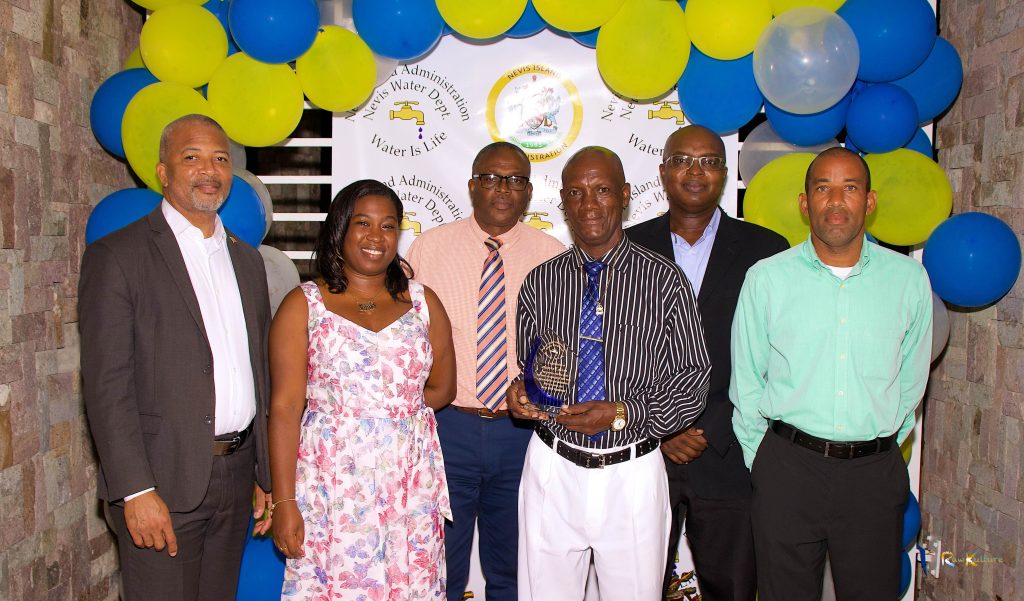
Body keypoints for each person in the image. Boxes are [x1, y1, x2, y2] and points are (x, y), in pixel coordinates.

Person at [79, 114, 272, 601]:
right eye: (192, 157)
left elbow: (260, 373)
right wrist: (134, 490)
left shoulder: (246, 260)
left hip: (235, 476)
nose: (209, 169)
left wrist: (264, 474)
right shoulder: (118, 256)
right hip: (160, 481)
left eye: (220, 159)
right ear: (163, 171)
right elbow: (107, 386)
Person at [508, 146, 711, 601]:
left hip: (632, 471)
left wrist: (622, 413)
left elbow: (693, 382)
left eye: (601, 190)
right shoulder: (541, 282)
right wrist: (521, 395)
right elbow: (534, 370)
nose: (589, 204)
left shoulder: (665, 281)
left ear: (624, 195)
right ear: (563, 201)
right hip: (552, 466)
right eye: (576, 193)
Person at [730, 147, 932, 600]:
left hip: (872, 476)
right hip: (787, 468)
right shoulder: (767, 279)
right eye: (823, 188)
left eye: (850, 188)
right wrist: (761, 460)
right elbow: (747, 380)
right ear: (805, 204)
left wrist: (878, 443)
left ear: (870, 201)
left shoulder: (908, 280)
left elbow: (911, 382)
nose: (836, 201)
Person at [268, 179, 457, 599]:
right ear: (340, 229)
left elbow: (443, 388)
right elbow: (283, 408)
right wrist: (284, 503)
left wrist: (388, 415)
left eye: (388, 226)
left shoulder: (423, 303)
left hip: (409, 484)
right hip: (332, 485)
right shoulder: (304, 304)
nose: (376, 237)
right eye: (363, 223)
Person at [626, 125, 788, 601]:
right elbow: (614, 355)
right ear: (662, 171)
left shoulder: (766, 251)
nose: (696, 172)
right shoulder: (625, 250)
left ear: (724, 173)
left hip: (728, 453)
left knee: (734, 589)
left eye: (709, 161)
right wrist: (660, 429)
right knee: (634, 588)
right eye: (683, 160)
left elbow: (774, 358)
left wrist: (708, 426)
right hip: (641, 454)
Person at [406, 142, 565, 601]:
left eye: (515, 180)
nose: (503, 189)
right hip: (446, 428)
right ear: (473, 185)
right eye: (492, 178)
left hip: (523, 434)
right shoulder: (428, 248)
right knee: (439, 566)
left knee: (513, 568)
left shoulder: (552, 256)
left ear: (529, 192)